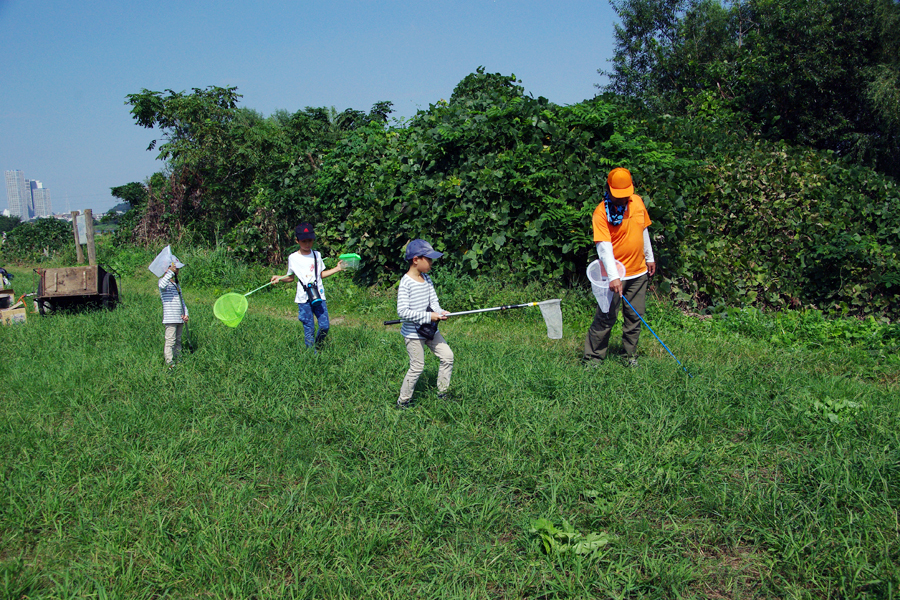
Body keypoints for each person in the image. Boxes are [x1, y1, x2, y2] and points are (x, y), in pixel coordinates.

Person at [584, 167, 656, 367]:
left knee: (634, 317)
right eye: (618, 196)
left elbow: (643, 230)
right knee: (606, 317)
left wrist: (649, 257)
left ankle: (629, 357)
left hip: (639, 272)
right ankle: (593, 359)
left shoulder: (638, 202)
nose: (622, 199)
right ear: (608, 188)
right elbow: (604, 248)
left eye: (625, 195)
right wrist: (614, 277)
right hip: (614, 275)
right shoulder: (601, 213)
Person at [396, 239, 454, 409]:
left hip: (430, 330)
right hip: (413, 334)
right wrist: (429, 316)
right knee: (417, 367)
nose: (431, 263)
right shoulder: (406, 283)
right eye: (428, 259)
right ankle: (403, 401)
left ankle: (443, 393)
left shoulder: (427, 279)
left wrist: (440, 312)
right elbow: (403, 312)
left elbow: (434, 301)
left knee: (447, 357)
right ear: (416, 260)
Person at [270, 222, 344, 349]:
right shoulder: (293, 258)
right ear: (297, 240)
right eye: (304, 241)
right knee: (308, 327)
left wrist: (337, 269)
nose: (307, 244)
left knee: (324, 325)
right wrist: (279, 278)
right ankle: (311, 354)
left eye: (310, 240)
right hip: (303, 298)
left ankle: (319, 346)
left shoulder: (317, 255)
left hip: (319, 295)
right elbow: (291, 278)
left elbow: (320, 274)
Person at [158, 258, 188, 367]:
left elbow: (182, 300)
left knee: (178, 340)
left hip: (179, 317)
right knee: (170, 341)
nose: (177, 271)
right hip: (170, 318)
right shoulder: (163, 283)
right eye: (176, 268)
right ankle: (170, 363)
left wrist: (186, 313)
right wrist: (170, 271)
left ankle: (178, 359)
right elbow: (162, 285)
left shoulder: (176, 284)